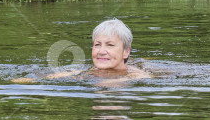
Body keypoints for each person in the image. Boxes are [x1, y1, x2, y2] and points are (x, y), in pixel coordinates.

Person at [11, 18, 150, 85]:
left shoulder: (136, 75)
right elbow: (67, 74)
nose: (101, 51)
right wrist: (35, 79)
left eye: (110, 45)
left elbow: (144, 79)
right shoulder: (88, 71)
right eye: (97, 45)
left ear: (126, 52)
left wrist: (112, 82)